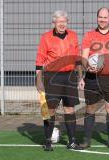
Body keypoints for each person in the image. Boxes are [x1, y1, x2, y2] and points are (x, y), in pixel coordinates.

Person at [35, 10, 84, 151]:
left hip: (70, 77)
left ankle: (72, 141)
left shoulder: (73, 36)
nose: (62, 24)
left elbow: (78, 59)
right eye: (59, 22)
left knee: (70, 109)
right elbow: (40, 60)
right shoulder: (46, 37)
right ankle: (48, 142)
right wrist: (39, 80)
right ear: (54, 23)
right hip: (52, 77)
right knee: (50, 110)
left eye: (64, 21)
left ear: (67, 22)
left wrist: (80, 77)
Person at [78, 7, 109, 149]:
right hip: (92, 78)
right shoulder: (89, 35)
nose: (102, 20)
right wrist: (87, 67)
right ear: (97, 18)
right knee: (90, 108)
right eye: (100, 17)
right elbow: (84, 57)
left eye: (105, 17)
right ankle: (86, 140)